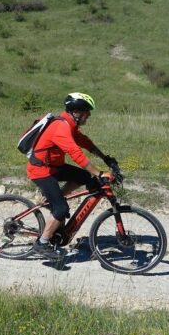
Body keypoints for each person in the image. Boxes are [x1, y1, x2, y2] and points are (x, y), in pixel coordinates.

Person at [27, 92, 116, 259]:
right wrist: (100, 173)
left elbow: (85, 143)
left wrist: (106, 158)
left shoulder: (69, 125)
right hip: (41, 171)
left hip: (54, 167)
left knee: (84, 177)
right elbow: (76, 154)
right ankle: (42, 243)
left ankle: (53, 199)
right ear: (76, 112)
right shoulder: (60, 127)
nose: (88, 116)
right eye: (86, 112)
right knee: (61, 209)